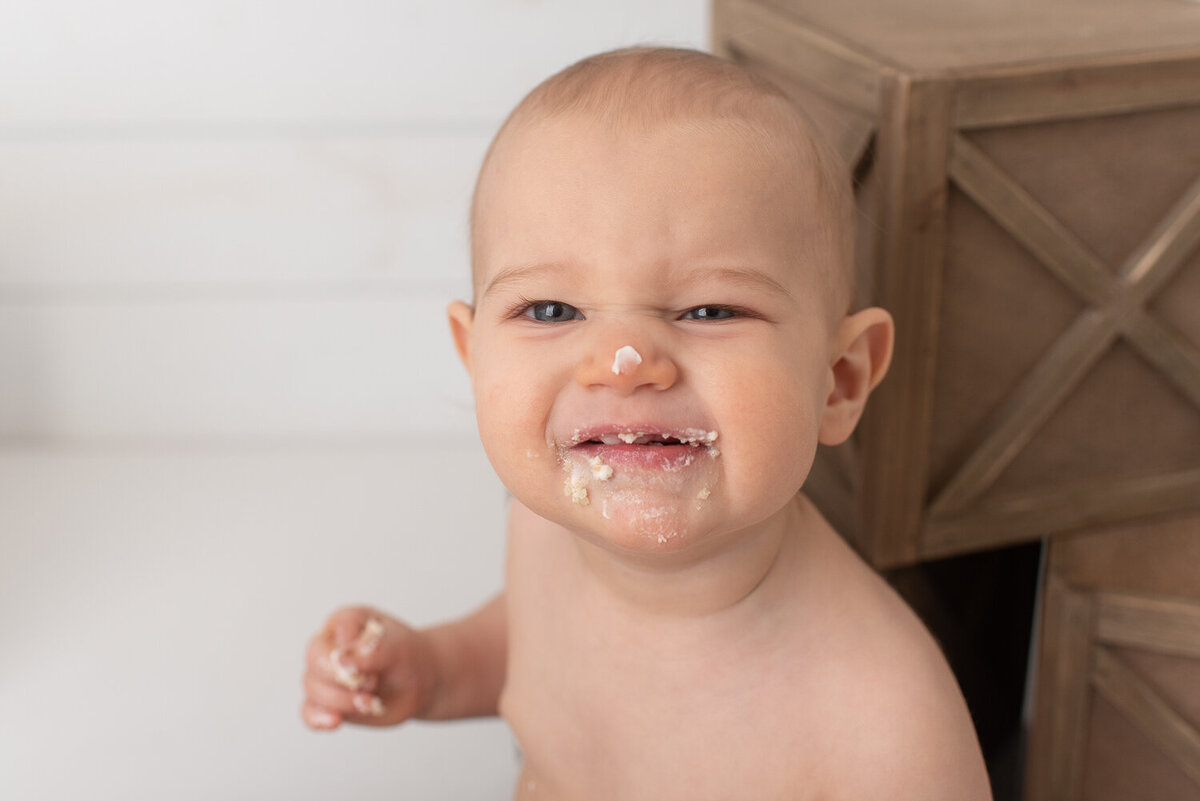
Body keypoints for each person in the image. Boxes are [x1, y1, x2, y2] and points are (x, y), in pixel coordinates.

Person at [301, 47, 992, 800]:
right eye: (551, 310)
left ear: (839, 380)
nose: (623, 362)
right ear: (475, 359)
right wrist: (431, 669)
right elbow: (537, 651)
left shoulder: (880, 719)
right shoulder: (542, 530)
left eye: (709, 310)